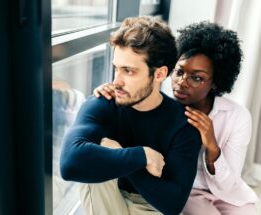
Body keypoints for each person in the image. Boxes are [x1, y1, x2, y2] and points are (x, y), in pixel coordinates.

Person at [94, 21, 259, 214]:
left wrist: (212, 148)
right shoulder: (157, 99)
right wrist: (107, 92)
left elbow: (230, 183)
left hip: (227, 192)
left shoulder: (236, 116)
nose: (182, 83)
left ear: (216, 82)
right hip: (187, 193)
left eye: (196, 78)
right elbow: (130, 96)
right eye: (179, 72)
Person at [60, 16, 202, 215]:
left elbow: (173, 204)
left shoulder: (184, 124)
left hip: (150, 205)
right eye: (116, 69)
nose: (116, 81)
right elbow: (69, 165)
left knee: (105, 150)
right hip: (107, 195)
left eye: (128, 71)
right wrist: (142, 155)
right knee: (103, 147)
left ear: (159, 74)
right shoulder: (103, 102)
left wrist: (130, 162)